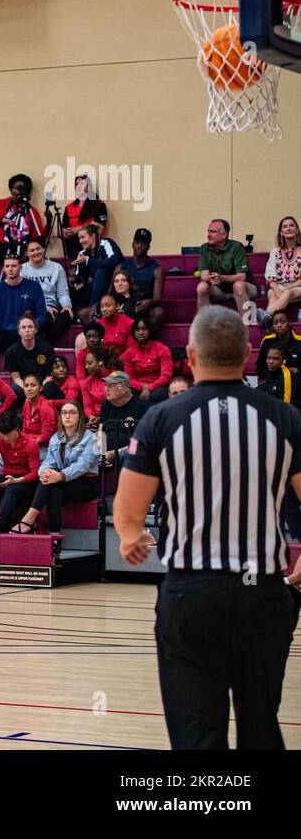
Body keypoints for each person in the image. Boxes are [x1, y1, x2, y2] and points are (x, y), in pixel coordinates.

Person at [115, 305, 301, 749]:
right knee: (261, 728)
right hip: (264, 596)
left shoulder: (161, 419)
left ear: (191, 355)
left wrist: (129, 538)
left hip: (192, 596)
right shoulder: (285, 419)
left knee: (197, 735)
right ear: (250, 352)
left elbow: (127, 510)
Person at [12, 399, 98, 534]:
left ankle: (29, 518)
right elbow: (48, 461)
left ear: (80, 417)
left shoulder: (91, 438)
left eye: (72, 413)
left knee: (54, 484)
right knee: (54, 489)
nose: (67, 416)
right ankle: (54, 534)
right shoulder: (56, 438)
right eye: (64, 413)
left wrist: (60, 475)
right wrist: (43, 473)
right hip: (60, 481)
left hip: (86, 484)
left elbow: (83, 465)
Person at [0, 257, 48, 354]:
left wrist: (32, 327)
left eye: (14, 266)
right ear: (4, 269)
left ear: (20, 268)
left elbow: (42, 314)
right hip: (5, 333)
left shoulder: (33, 286)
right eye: (7, 266)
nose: (10, 269)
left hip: (25, 333)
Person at [196, 218, 257, 317]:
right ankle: (204, 324)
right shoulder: (204, 248)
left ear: (224, 235)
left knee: (238, 285)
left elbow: (242, 277)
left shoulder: (237, 247)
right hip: (219, 289)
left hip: (245, 288)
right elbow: (204, 276)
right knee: (202, 287)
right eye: (208, 231)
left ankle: (247, 325)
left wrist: (221, 278)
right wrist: (213, 278)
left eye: (213, 232)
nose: (208, 234)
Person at [19, 238, 74, 345]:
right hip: (33, 307)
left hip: (54, 306)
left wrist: (67, 306)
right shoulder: (22, 270)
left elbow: (62, 292)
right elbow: (26, 296)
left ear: (44, 249)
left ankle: (44, 344)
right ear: (27, 253)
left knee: (65, 316)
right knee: (43, 317)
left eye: (38, 249)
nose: (36, 252)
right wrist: (46, 308)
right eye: (32, 250)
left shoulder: (56, 268)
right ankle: (42, 345)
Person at [93, 371, 150, 471]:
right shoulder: (106, 405)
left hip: (131, 454)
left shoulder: (143, 407)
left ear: (124, 388)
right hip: (107, 454)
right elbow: (101, 433)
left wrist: (117, 453)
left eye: (110, 386)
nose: (106, 389)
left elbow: (144, 442)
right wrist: (102, 454)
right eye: (106, 385)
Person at [117, 228, 167, 334]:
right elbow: (111, 292)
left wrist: (149, 302)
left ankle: (148, 342)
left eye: (143, 243)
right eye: (137, 242)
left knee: (159, 312)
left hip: (144, 307)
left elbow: (157, 298)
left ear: (148, 246)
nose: (139, 246)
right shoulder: (121, 267)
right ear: (133, 244)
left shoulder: (157, 269)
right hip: (124, 306)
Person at [69, 223, 124, 314]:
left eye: (83, 237)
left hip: (113, 284)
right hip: (96, 287)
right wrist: (79, 281)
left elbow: (112, 262)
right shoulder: (82, 253)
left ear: (93, 236)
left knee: (101, 272)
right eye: (79, 238)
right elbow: (80, 275)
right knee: (70, 288)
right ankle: (73, 314)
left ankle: (93, 311)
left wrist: (88, 260)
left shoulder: (106, 243)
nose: (80, 241)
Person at [2, 315, 57, 393]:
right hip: (24, 387)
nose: (27, 330)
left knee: (51, 387)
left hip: (42, 386)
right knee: (13, 390)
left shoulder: (47, 348)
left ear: (36, 330)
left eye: (30, 327)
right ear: (19, 331)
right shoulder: (11, 351)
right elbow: (16, 379)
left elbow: (49, 376)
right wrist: (28, 390)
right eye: (23, 327)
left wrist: (39, 388)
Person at [121, 318, 172, 400]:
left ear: (150, 331)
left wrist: (150, 387)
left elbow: (166, 376)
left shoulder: (162, 349)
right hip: (138, 388)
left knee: (157, 395)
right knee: (125, 393)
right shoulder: (129, 352)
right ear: (133, 333)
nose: (141, 333)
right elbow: (130, 379)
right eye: (137, 329)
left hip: (158, 387)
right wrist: (143, 387)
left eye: (144, 329)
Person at [257, 309, 301, 379]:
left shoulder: (299, 342)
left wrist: (296, 371)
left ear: (290, 323)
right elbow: (260, 368)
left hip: (295, 384)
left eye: (282, 322)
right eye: (275, 323)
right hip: (272, 382)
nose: (279, 325)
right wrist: (275, 375)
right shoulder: (267, 341)